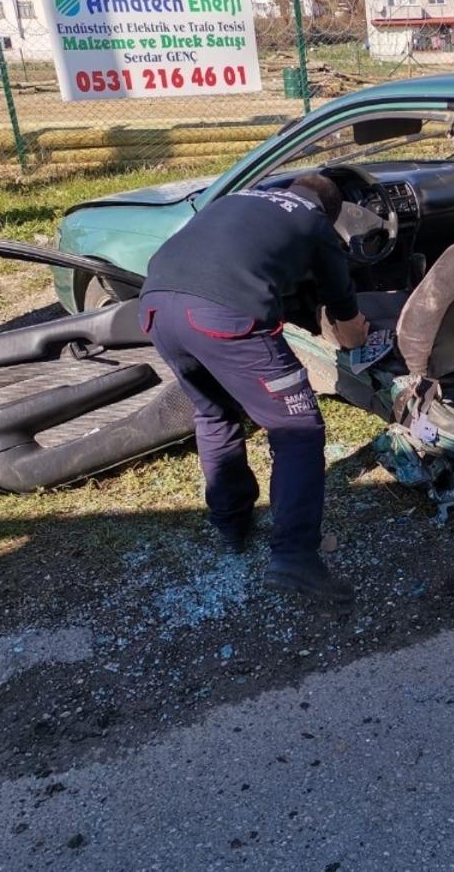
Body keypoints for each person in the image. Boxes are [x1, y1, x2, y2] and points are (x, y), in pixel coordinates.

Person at [139, 175, 368, 603]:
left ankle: (231, 524)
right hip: (222, 316)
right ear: (331, 211)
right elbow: (347, 322)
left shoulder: (239, 200)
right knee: (297, 429)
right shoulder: (315, 221)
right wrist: (359, 334)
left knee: (213, 412)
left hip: (155, 306)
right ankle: (295, 558)